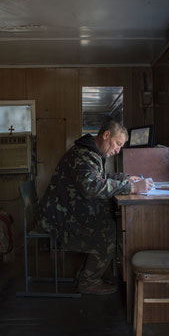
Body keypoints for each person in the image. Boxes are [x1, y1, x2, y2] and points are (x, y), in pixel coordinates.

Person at [38, 120, 153, 295]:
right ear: (106, 135)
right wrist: (132, 187)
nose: (118, 150)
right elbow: (91, 187)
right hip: (60, 217)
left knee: (109, 222)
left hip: (67, 209)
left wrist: (125, 178)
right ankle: (88, 281)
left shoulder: (90, 152)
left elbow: (100, 177)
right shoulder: (84, 155)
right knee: (109, 231)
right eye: (118, 144)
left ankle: (87, 277)